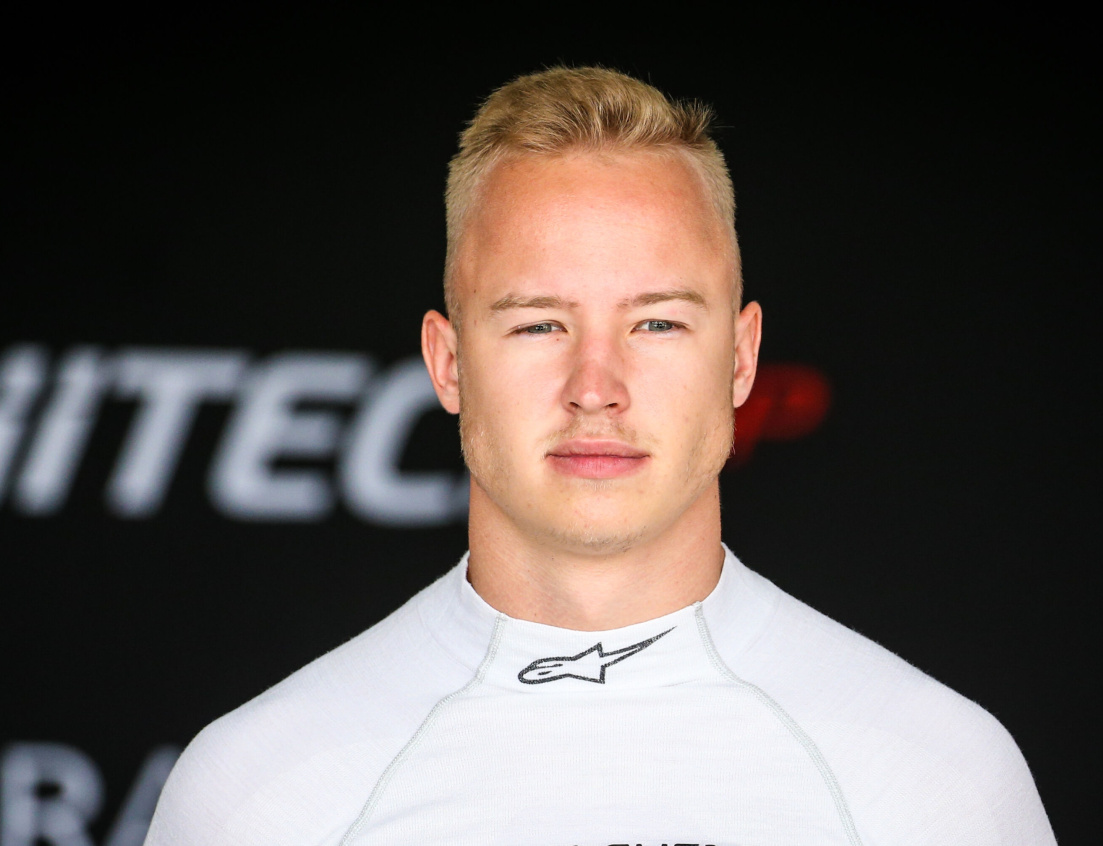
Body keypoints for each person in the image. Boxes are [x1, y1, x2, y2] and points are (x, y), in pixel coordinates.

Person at [146, 66, 1056, 845]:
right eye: (538, 324)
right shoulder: (263, 793)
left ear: (741, 359)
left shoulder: (934, 783)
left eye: (657, 323)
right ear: (449, 363)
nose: (596, 387)